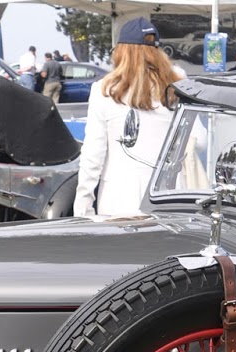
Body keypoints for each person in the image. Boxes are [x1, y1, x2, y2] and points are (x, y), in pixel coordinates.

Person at [75, 17, 182, 217]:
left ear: (121, 51)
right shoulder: (177, 89)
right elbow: (198, 141)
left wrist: (83, 209)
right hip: (170, 196)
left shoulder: (105, 91)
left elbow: (92, 156)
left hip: (119, 199)